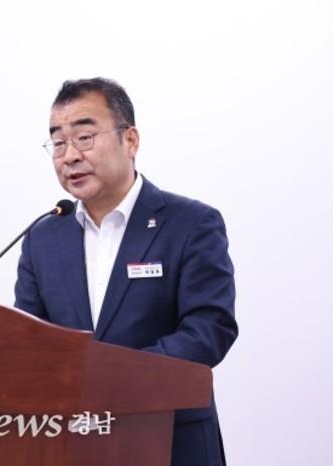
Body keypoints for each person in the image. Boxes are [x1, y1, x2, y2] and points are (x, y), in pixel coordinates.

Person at [14, 77, 237, 466]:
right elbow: (29, 342)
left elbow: (209, 329)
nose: (70, 156)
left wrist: (116, 378)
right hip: (73, 446)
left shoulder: (190, 224)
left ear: (130, 140)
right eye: (58, 143)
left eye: (84, 137)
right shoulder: (42, 238)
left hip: (170, 442)